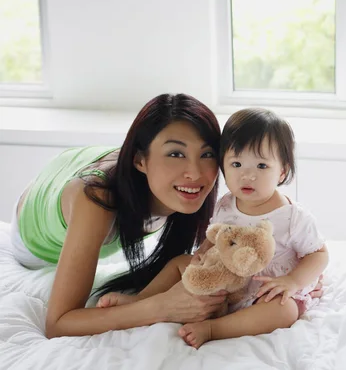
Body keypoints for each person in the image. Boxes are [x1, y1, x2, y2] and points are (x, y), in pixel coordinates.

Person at [97, 108, 329, 349]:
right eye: (237, 164)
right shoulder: (226, 204)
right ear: (223, 166)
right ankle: (141, 300)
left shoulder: (292, 217)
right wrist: (202, 252)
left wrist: (292, 281)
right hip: (225, 281)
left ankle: (214, 328)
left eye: (261, 166)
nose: (247, 175)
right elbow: (216, 236)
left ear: (282, 171)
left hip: (266, 290)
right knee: (180, 262)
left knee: (285, 310)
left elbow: (319, 254)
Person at [12, 94, 233, 338]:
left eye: (207, 154)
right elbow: (59, 323)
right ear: (139, 160)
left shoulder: (196, 192)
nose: (195, 172)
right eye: (175, 154)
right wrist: (161, 307)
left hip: (80, 165)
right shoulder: (97, 199)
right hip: (33, 226)